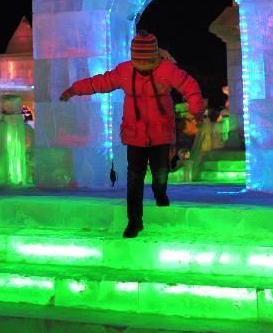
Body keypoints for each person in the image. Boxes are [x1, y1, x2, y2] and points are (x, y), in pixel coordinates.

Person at [60, 31, 204, 238]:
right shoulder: (125, 71)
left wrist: (196, 108)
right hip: (134, 133)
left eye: (147, 60)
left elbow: (189, 85)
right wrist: (74, 89)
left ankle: (160, 192)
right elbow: (100, 82)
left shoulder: (166, 69)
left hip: (160, 132)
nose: (144, 65)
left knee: (160, 172)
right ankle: (134, 221)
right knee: (134, 178)